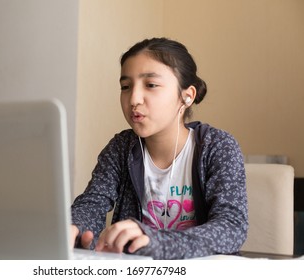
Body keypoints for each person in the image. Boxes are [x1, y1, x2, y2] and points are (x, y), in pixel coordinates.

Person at [71, 37, 248, 259]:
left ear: (187, 96)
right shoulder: (121, 148)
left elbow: (231, 227)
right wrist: (74, 228)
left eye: (151, 85)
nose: (133, 99)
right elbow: (93, 203)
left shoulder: (217, 147)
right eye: (125, 87)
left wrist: (158, 242)